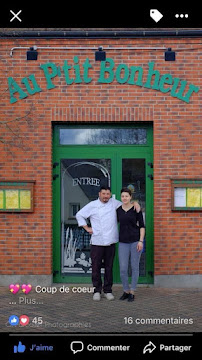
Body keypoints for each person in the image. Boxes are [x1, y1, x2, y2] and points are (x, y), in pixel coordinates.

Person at [76, 186, 140, 301]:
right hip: (97, 241)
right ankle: (96, 290)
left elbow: (126, 203)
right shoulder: (92, 205)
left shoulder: (114, 203)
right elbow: (79, 215)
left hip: (110, 241)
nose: (106, 196)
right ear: (99, 194)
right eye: (104, 193)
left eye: (108, 194)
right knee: (95, 267)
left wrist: (135, 203)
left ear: (110, 194)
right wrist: (87, 228)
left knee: (109, 267)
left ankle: (108, 290)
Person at [117, 188, 145, 302]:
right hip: (123, 242)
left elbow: (142, 226)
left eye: (126, 196)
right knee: (123, 269)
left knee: (134, 267)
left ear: (130, 197)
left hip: (135, 241)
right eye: (122, 196)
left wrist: (141, 241)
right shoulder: (118, 210)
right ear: (121, 197)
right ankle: (126, 290)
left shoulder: (136, 209)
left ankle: (132, 291)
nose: (124, 198)